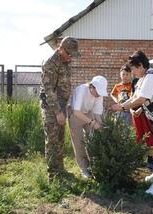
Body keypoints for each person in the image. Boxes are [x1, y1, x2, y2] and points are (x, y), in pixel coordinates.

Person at [110, 50, 153, 195]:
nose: (133, 73)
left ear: (141, 65)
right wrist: (123, 106)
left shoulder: (151, 77)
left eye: (133, 69)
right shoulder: (143, 79)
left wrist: (122, 107)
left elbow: (141, 100)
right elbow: (135, 97)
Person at [40, 36, 80, 181]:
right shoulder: (51, 63)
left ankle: (60, 170)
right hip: (51, 107)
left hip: (61, 106)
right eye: (69, 54)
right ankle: (53, 176)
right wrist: (57, 112)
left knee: (60, 139)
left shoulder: (65, 61)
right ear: (61, 48)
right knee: (52, 140)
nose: (71, 58)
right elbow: (49, 90)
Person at [68, 75, 108, 179]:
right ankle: (84, 168)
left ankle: (94, 165)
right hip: (75, 115)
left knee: (93, 139)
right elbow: (76, 112)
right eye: (98, 92)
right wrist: (92, 123)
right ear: (92, 87)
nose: (99, 95)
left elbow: (98, 113)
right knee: (79, 143)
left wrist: (101, 126)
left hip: (88, 113)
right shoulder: (82, 90)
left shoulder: (99, 95)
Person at [131, 77, 153, 172]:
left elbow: (150, 98)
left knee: (149, 136)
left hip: (147, 113)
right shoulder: (134, 81)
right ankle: (138, 158)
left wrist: (141, 109)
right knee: (138, 135)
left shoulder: (149, 80)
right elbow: (132, 97)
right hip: (135, 113)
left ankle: (150, 160)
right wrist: (130, 110)